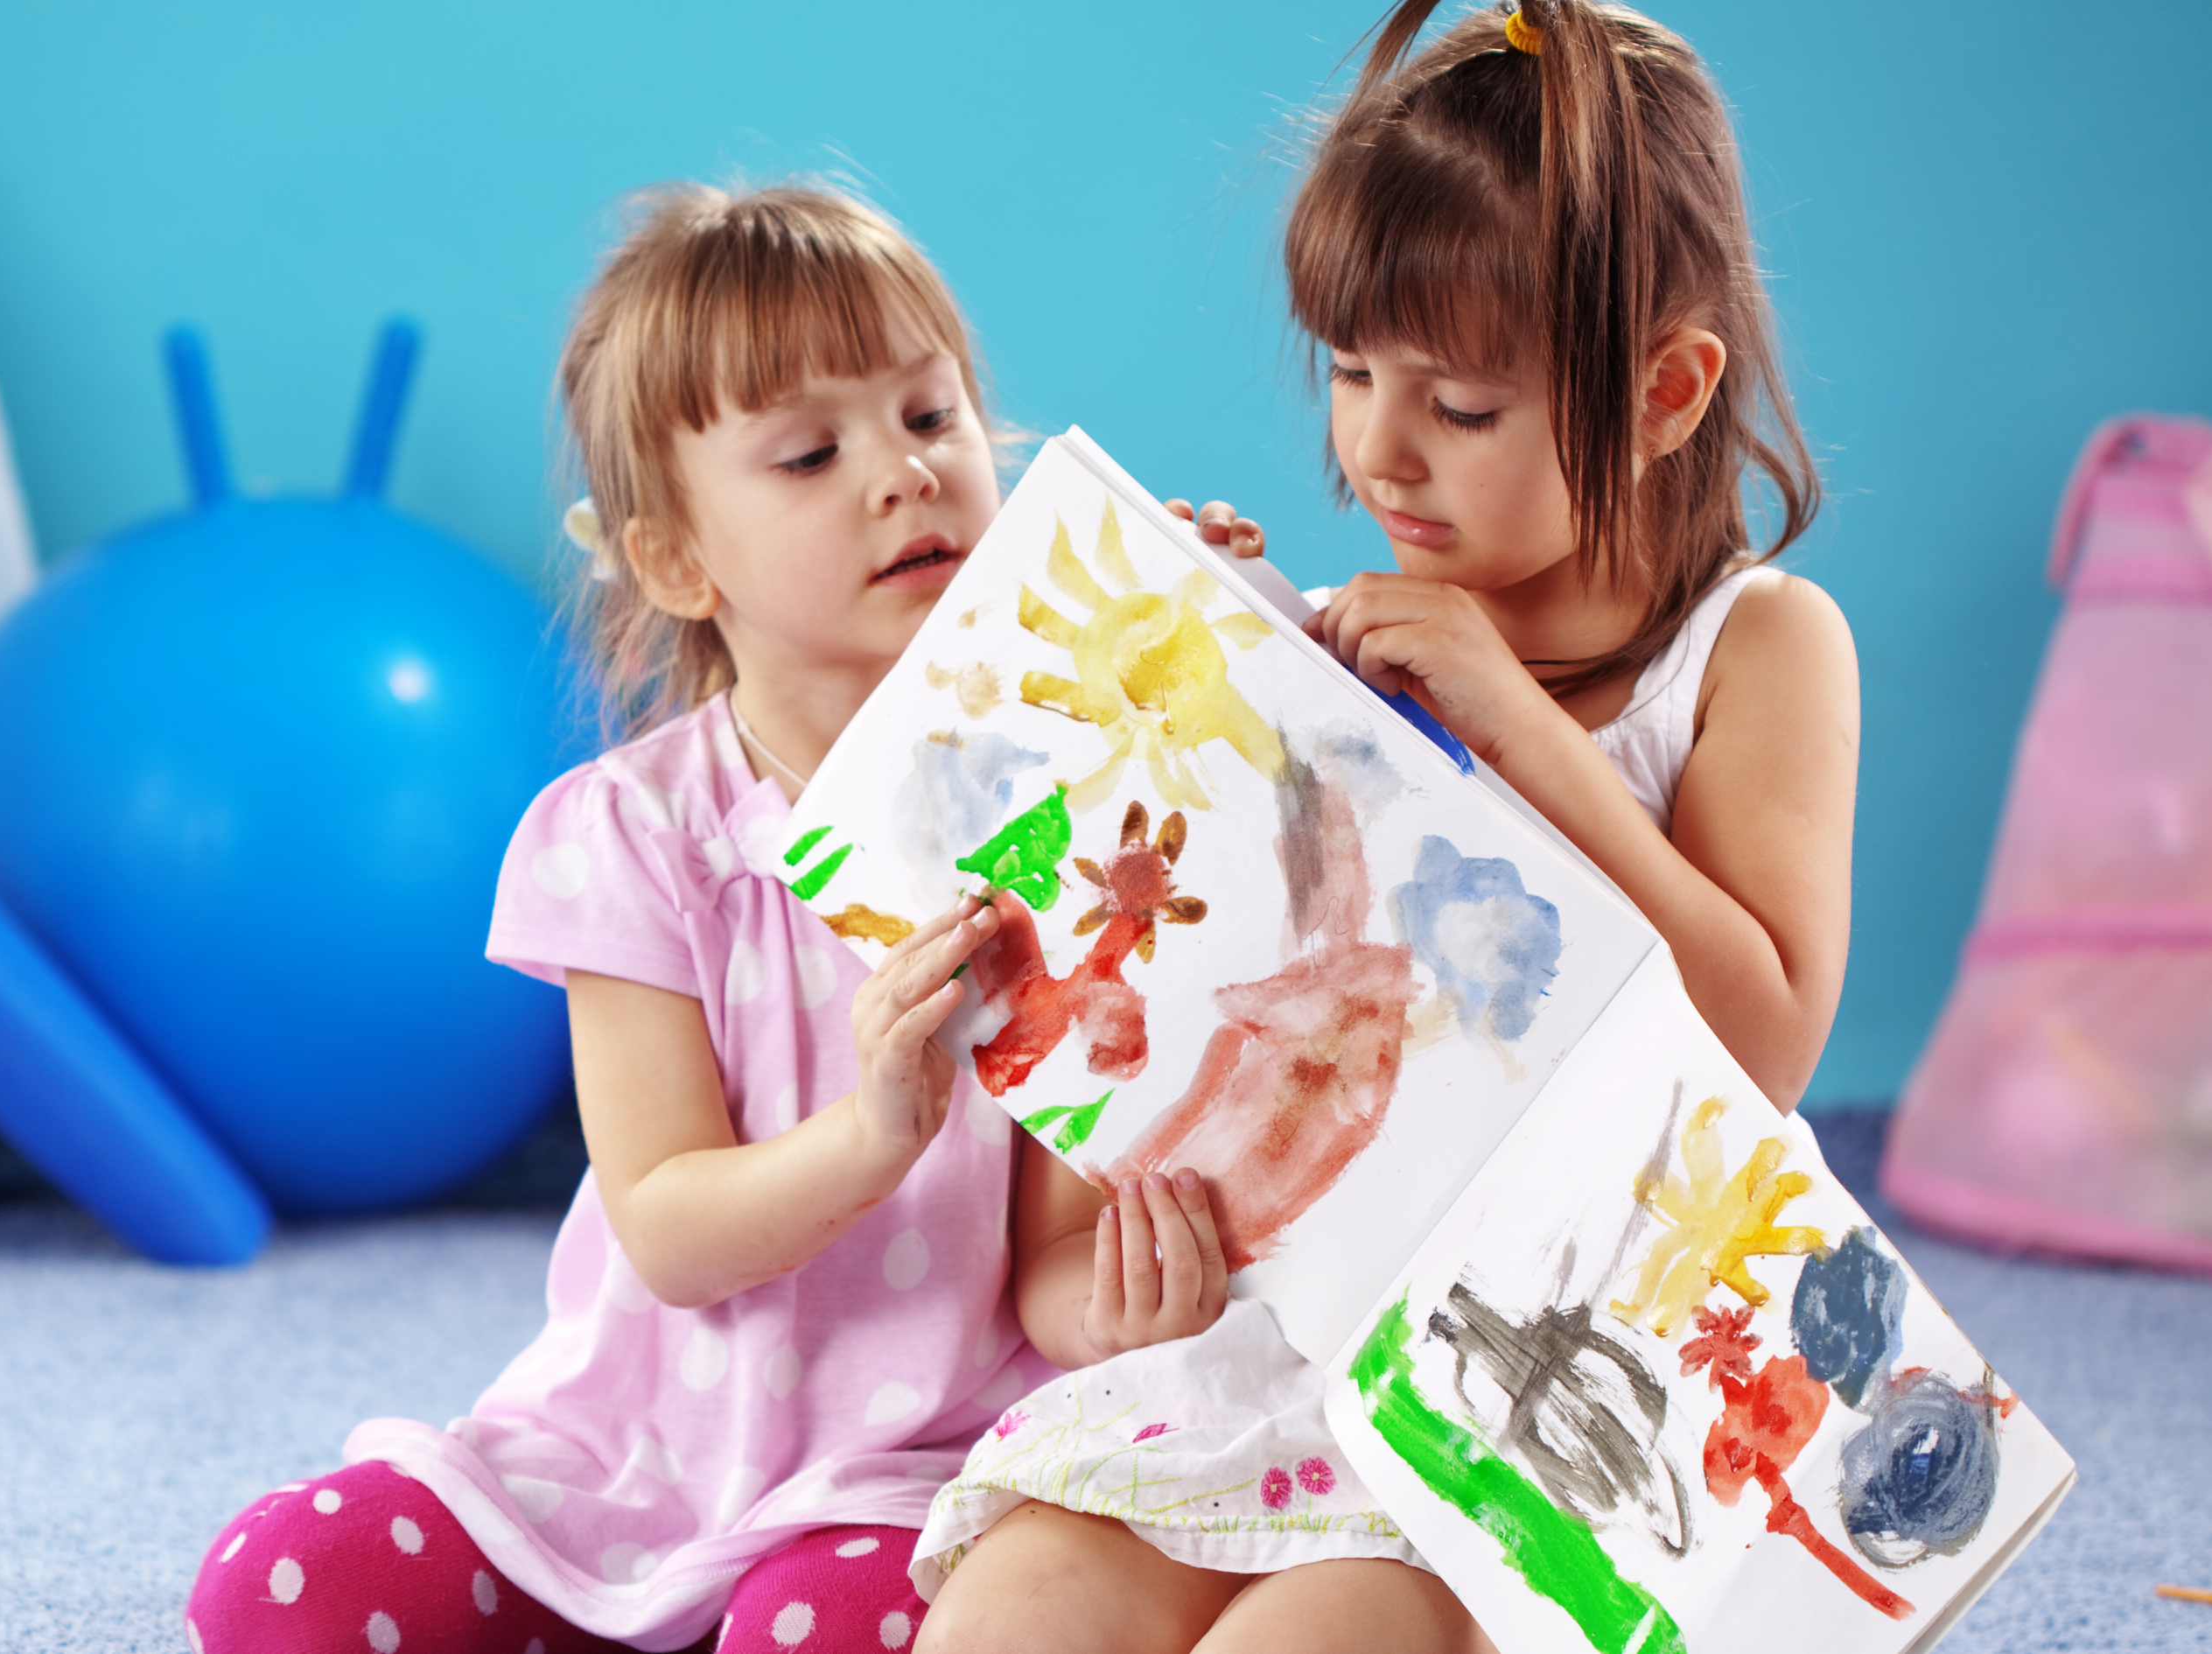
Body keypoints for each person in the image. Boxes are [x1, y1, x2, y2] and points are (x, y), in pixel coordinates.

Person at [182, 182, 1250, 1654]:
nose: (904, 475)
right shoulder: (630, 833)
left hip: (925, 1464)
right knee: (277, 1582)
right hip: (633, 1450)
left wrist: (1218, 652)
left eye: (932, 419)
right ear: (680, 563)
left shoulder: (1079, 806)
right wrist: (875, 1130)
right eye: (811, 451)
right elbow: (672, 1226)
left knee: (807, 1627)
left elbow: (1047, 1271)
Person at [910, 3, 1856, 1650]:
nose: (1377, 448)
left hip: (1542, 1390)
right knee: (1008, 1623)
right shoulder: (1335, 638)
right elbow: (1073, 1227)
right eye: (1351, 372)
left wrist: (1520, 736)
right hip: (1270, 1366)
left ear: (1665, 390)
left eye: (1464, 408)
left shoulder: (1758, 648)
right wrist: (1199, 685)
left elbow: (1762, 1045)